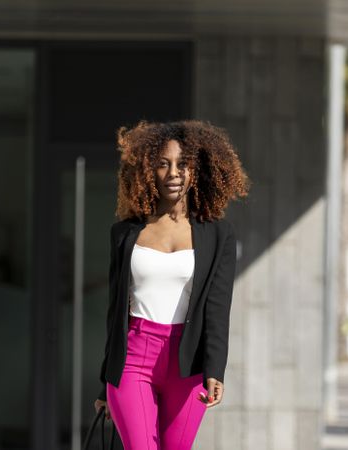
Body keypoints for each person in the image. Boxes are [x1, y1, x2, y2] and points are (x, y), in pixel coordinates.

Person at [93, 119, 249, 450]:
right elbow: (115, 311)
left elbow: (218, 307)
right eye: (163, 164)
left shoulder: (218, 234)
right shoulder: (125, 233)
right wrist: (104, 383)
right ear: (150, 170)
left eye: (183, 164)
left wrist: (215, 368)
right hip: (134, 357)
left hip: (187, 362)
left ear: (198, 171)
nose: (173, 173)